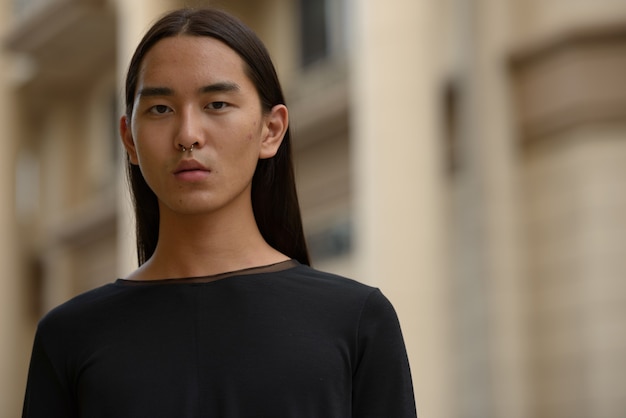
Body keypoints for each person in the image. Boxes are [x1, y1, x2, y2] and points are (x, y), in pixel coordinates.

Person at [22, 8, 417, 418]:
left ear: (271, 130)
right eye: (160, 109)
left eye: (217, 103)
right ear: (130, 139)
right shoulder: (70, 336)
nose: (188, 135)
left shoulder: (355, 321)